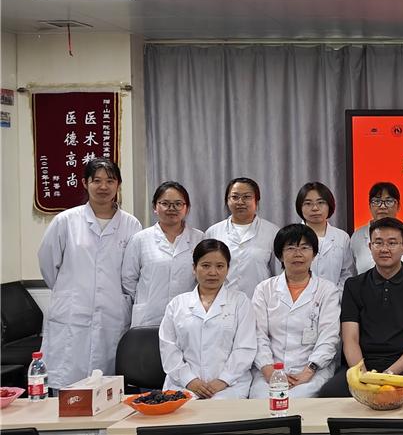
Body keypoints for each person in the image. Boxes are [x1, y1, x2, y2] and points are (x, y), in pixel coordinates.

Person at [37, 158, 142, 389]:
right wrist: (71, 292)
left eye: (110, 181)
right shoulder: (66, 221)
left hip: (112, 314)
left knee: (107, 387)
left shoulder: (131, 225)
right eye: (97, 181)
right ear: (85, 183)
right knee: (67, 384)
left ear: (118, 185)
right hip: (72, 312)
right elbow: (48, 264)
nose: (103, 187)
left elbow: (133, 271)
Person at [322, 217, 403, 397]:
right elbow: (350, 339)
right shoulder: (354, 285)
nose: (384, 249)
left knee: (397, 395)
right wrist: (363, 374)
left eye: (392, 243)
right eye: (378, 242)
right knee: (330, 393)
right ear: (370, 247)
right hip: (362, 365)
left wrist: (388, 375)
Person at [250, 224, 341, 398]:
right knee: (264, 399)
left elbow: (329, 336)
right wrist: (269, 370)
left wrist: (308, 371)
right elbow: (257, 334)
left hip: (313, 369)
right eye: (290, 248)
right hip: (270, 369)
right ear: (280, 255)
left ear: (314, 254)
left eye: (304, 248)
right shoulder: (264, 289)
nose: (298, 254)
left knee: (301, 399)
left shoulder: (327, 290)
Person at [159, 239, 255, 399]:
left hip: (229, 387)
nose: (213, 272)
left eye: (220, 266)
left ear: (228, 269)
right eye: (205, 265)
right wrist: (190, 381)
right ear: (194, 268)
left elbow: (245, 348)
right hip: (183, 386)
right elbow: (168, 349)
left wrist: (223, 380)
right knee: (184, 412)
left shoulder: (240, 302)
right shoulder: (177, 304)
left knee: (221, 411)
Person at [123, 181, 205, 327]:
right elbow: (128, 279)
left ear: (187, 208)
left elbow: (203, 278)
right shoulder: (140, 239)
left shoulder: (199, 238)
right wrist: (148, 299)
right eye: (165, 203)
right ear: (155, 207)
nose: (171, 208)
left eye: (178, 204)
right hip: (149, 316)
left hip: (188, 315)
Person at [205, 177, 280, 299]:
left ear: (256, 200)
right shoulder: (213, 232)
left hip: (259, 301)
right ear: (227, 200)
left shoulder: (272, 232)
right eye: (235, 197)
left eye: (246, 197)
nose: (240, 202)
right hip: (221, 302)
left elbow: (278, 274)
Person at [295, 181, 356, 285]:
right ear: (300, 207)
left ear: (329, 205)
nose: (315, 208)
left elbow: (347, 273)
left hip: (335, 294)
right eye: (308, 203)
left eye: (320, 203)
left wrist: (334, 294)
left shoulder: (342, 237)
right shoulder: (291, 236)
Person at [350, 182, 401, 274]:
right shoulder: (357, 236)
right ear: (369, 206)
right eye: (376, 201)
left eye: (389, 201)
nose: (382, 206)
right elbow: (352, 273)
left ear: (398, 206)